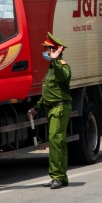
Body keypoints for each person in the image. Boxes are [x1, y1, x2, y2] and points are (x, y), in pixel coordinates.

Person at [27, 34, 72, 189]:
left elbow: (63, 76)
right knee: (59, 143)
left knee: (55, 141)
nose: (44, 52)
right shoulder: (51, 68)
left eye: (46, 49)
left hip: (60, 108)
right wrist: (35, 108)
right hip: (53, 108)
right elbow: (48, 94)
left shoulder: (61, 66)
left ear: (54, 50)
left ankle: (57, 177)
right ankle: (61, 177)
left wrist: (55, 59)